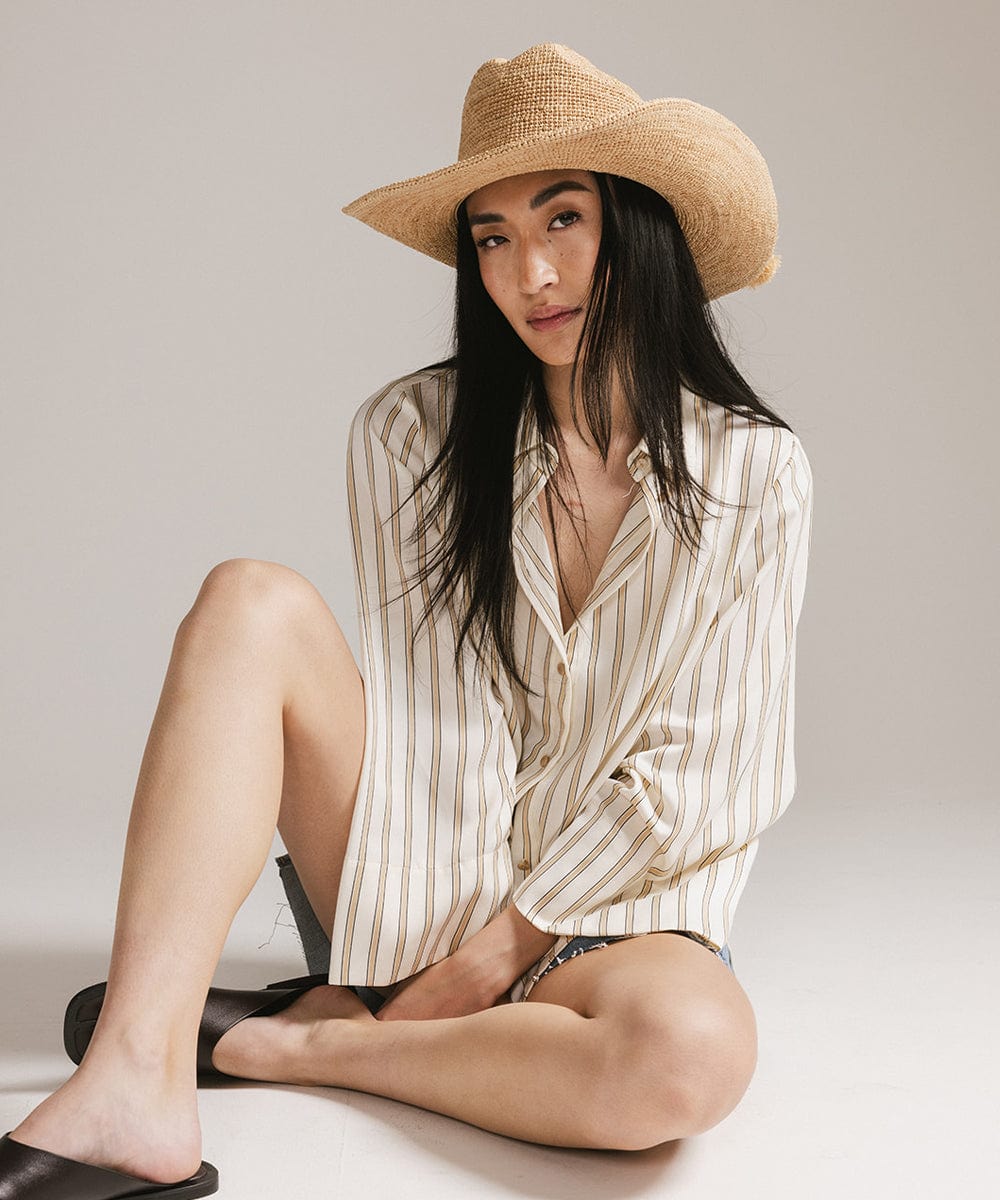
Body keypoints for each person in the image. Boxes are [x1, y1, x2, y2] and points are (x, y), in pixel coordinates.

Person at [0, 42, 812, 1199]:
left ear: (635, 225)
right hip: (424, 866)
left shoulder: (753, 472)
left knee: (686, 1064)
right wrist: (431, 950)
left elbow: (711, 771)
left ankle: (298, 1043)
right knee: (250, 598)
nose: (529, 271)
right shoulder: (410, 435)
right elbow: (438, 709)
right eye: (491, 238)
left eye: (562, 220)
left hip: (626, 913)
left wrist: (504, 949)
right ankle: (136, 1076)